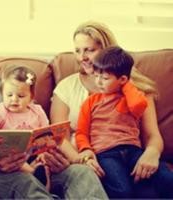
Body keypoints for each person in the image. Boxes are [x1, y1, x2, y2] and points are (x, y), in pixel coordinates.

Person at [0, 27, 108, 199]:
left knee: (81, 174)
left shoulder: (7, 88)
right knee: (26, 182)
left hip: (28, 162)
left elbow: (39, 130)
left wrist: (53, 157)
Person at [50, 21, 164, 197]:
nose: (82, 57)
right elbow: (59, 136)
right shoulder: (66, 88)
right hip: (88, 159)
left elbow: (152, 135)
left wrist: (152, 153)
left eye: (89, 50)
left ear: (107, 50)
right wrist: (81, 159)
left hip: (130, 152)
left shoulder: (135, 88)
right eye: (78, 50)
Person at [75, 46, 173, 198]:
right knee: (122, 189)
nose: (99, 82)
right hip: (106, 154)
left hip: (133, 150)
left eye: (105, 78)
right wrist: (85, 149)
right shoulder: (90, 102)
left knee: (166, 178)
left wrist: (126, 86)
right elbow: (81, 132)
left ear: (122, 79)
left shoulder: (132, 97)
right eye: (96, 76)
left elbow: (138, 106)